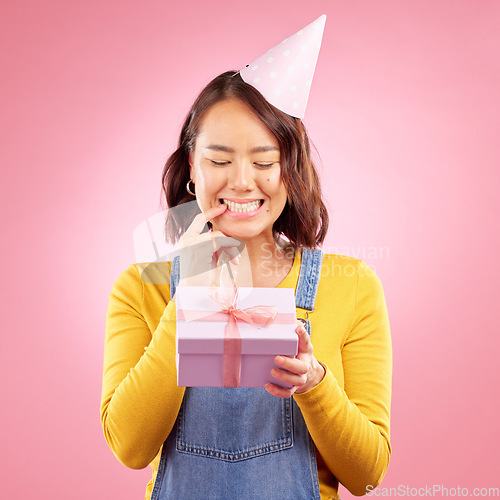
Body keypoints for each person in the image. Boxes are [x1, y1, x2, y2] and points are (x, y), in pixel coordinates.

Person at [100, 17, 392, 500]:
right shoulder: (139, 288)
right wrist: (187, 300)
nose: (240, 182)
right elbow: (130, 448)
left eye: (263, 162)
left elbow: (365, 476)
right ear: (191, 170)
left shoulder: (352, 285)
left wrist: (316, 385)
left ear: (291, 171)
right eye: (218, 161)